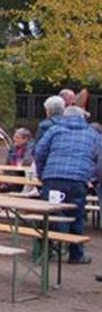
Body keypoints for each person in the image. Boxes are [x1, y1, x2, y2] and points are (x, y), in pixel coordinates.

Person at [34, 106, 100, 265]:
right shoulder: (92, 134)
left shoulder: (54, 130)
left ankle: (45, 251)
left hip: (52, 178)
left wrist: (42, 174)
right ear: (83, 118)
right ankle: (76, 254)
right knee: (77, 215)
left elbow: (39, 152)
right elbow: (99, 159)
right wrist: (91, 176)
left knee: (49, 213)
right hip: (77, 180)